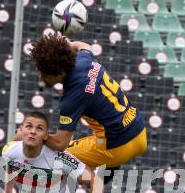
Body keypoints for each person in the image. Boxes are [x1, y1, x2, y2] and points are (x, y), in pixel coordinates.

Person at [29, 33, 147, 175]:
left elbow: (60, 143)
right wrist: (63, 47)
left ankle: (85, 191)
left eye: (44, 73)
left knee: (52, 155)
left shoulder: (72, 97)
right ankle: (96, 183)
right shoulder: (83, 59)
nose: (41, 77)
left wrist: (33, 134)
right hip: (139, 130)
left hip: (117, 147)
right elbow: (84, 45)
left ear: (59, 72)